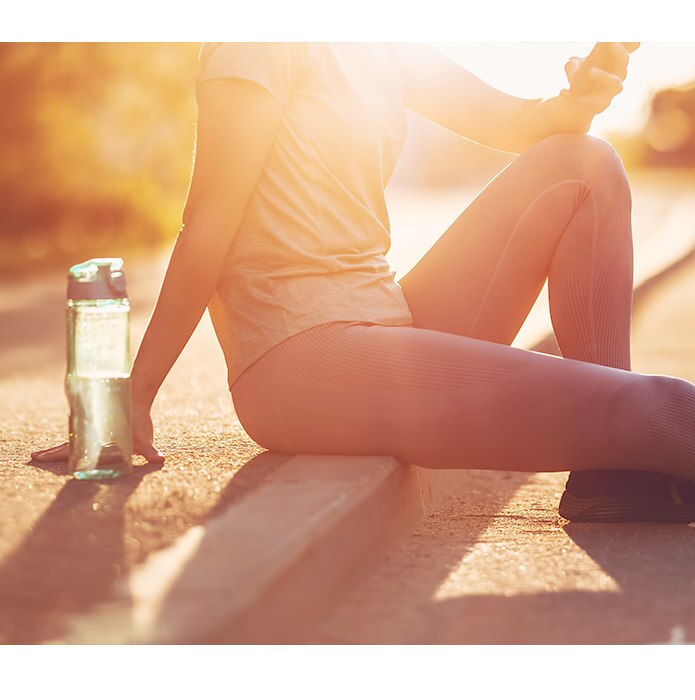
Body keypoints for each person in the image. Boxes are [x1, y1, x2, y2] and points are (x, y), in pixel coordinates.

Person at [32, 42, 695, 522]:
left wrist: (574, 100)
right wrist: (134, 396)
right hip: (297, 358)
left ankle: (615, 471)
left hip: (387, 321)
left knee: (584, 164)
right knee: (662, 409)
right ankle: (633, 436)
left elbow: (519, 124)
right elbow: (208, 223)